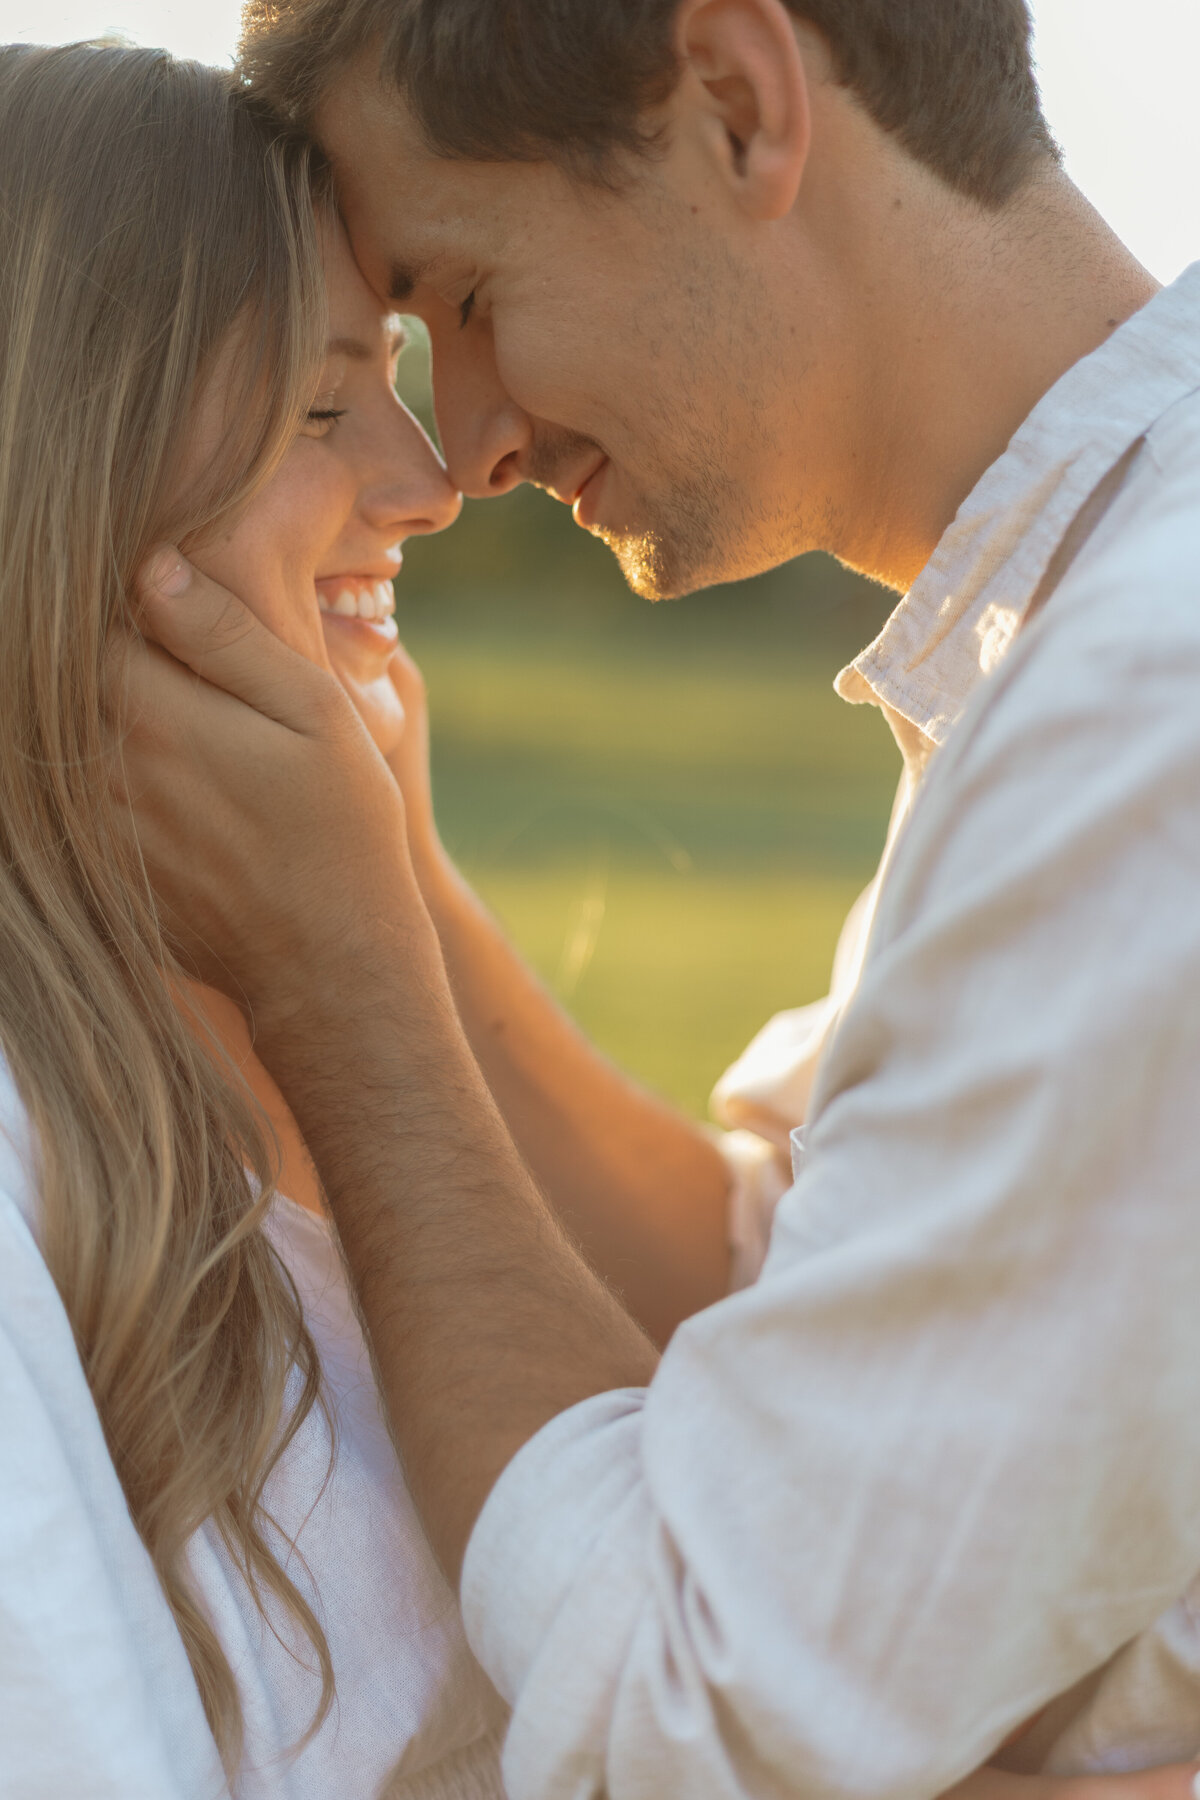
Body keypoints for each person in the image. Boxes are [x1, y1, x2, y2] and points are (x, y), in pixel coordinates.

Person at [116, 2, 1200, 1798]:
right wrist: (396, 891)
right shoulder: (1072, 635)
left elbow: (684, 1719)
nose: (467, 449)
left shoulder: (1144, 719)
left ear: (735, 101)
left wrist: (341, 982)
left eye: (470, 296)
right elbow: (807, 1298)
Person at [0, 40, 509, 1798]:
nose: (430, 482)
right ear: (69, 473)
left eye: (401, 382)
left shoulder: (282, 1096)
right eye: (321, 408)